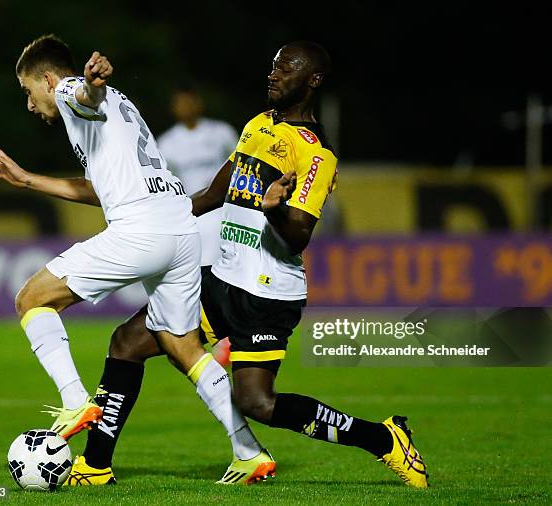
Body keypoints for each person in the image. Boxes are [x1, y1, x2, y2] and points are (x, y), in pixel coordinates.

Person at [76, 41, 429, 488]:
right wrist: (159, 214)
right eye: (273, 67)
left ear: (313, 80)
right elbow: (213, 193)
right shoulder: (258, 125)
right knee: (128, 341)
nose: (274, 74)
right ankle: (93, 468)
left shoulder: (316, 154)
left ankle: (383, 439)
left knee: (257, 403)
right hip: (220, 279)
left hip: (266, 292)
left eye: (286, 68)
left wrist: (274, 208)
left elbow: (297, 235)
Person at [0, 34, 272, 484]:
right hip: (179, 227)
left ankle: (76, 401)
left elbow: (81, 94)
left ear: (46, 78)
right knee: (183, 346)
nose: (30, 104)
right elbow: (102, 189)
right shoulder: (120, 107)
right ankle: (249, 451)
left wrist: (88, 84)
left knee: (31, 300)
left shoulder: (70, 92)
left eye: (27, 91)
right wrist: (28, 181)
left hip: (142, 230)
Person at [158, 86, 238, 363]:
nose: (185, 107)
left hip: (224, 213)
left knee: (223, 273)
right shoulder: (167, 143)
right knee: (199, 275)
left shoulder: (221, 133)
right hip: (193, 215)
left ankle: (227, 334)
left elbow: (242, 165)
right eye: (180, 103)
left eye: (189, 101)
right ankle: (216, 334)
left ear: (198, 103)